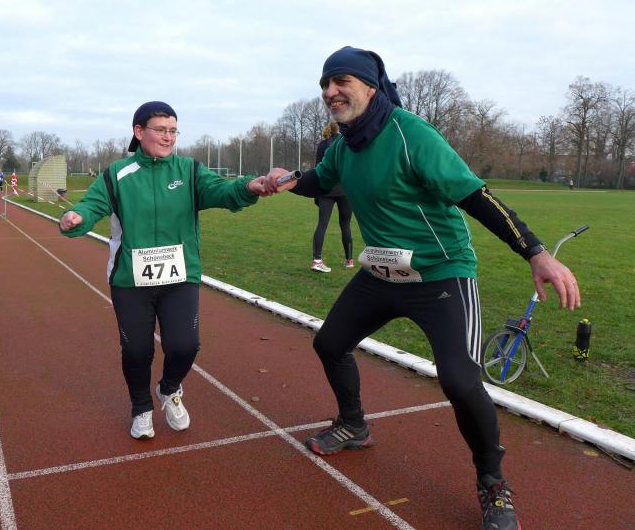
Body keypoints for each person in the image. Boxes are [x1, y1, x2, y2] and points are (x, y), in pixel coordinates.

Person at [266, 46, 581, 530]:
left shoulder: (411, 134)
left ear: (370, 86)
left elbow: (476, 196)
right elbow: (321, 180)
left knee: (460, 380)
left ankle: (493, 484)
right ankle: (353, 425)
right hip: (380, 273)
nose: (330, 92)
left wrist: (535, 252)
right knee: (329, 343)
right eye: (325, 84)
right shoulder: (343, 146)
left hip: (441, 274)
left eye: (341, 81)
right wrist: (288, 180)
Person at [59, 101, 280, 440]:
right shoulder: (117, 174)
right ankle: (141, 408)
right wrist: (76, 219)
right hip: (130, 279)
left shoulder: (189, 171)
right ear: (139, 132)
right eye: (160, 130)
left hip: (180, 276)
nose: (168, 137)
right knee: (137, 351)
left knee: (185, 346)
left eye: (173, 131)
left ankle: (169, 388)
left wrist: (250, 186)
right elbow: (91, 206)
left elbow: (222, 190)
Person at [310, 121, 353, 272]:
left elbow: (317, 169)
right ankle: (349, 260)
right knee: (345, 225)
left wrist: (316, 193)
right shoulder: (346, 142)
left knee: (322, 224)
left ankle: (317, 260)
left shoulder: (322, 145)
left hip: (325, 189)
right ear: (340, 129)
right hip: (344, 190)